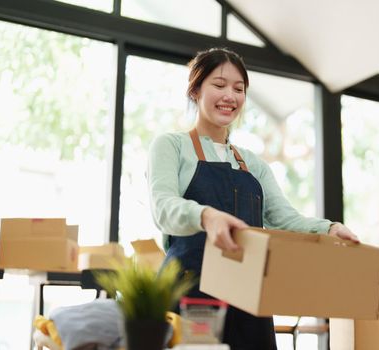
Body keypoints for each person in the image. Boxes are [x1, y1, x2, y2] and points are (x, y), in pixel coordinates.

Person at [147, 47, 359, 350]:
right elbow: (163, 207)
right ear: (195, 90)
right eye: (219, 85)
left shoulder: (252, 163)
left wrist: (328, 229)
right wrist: (207, 216)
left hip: (248, 295)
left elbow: (284, 218)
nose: (230, 96)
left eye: (239, 89)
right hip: (190, 295)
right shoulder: (171, 146)